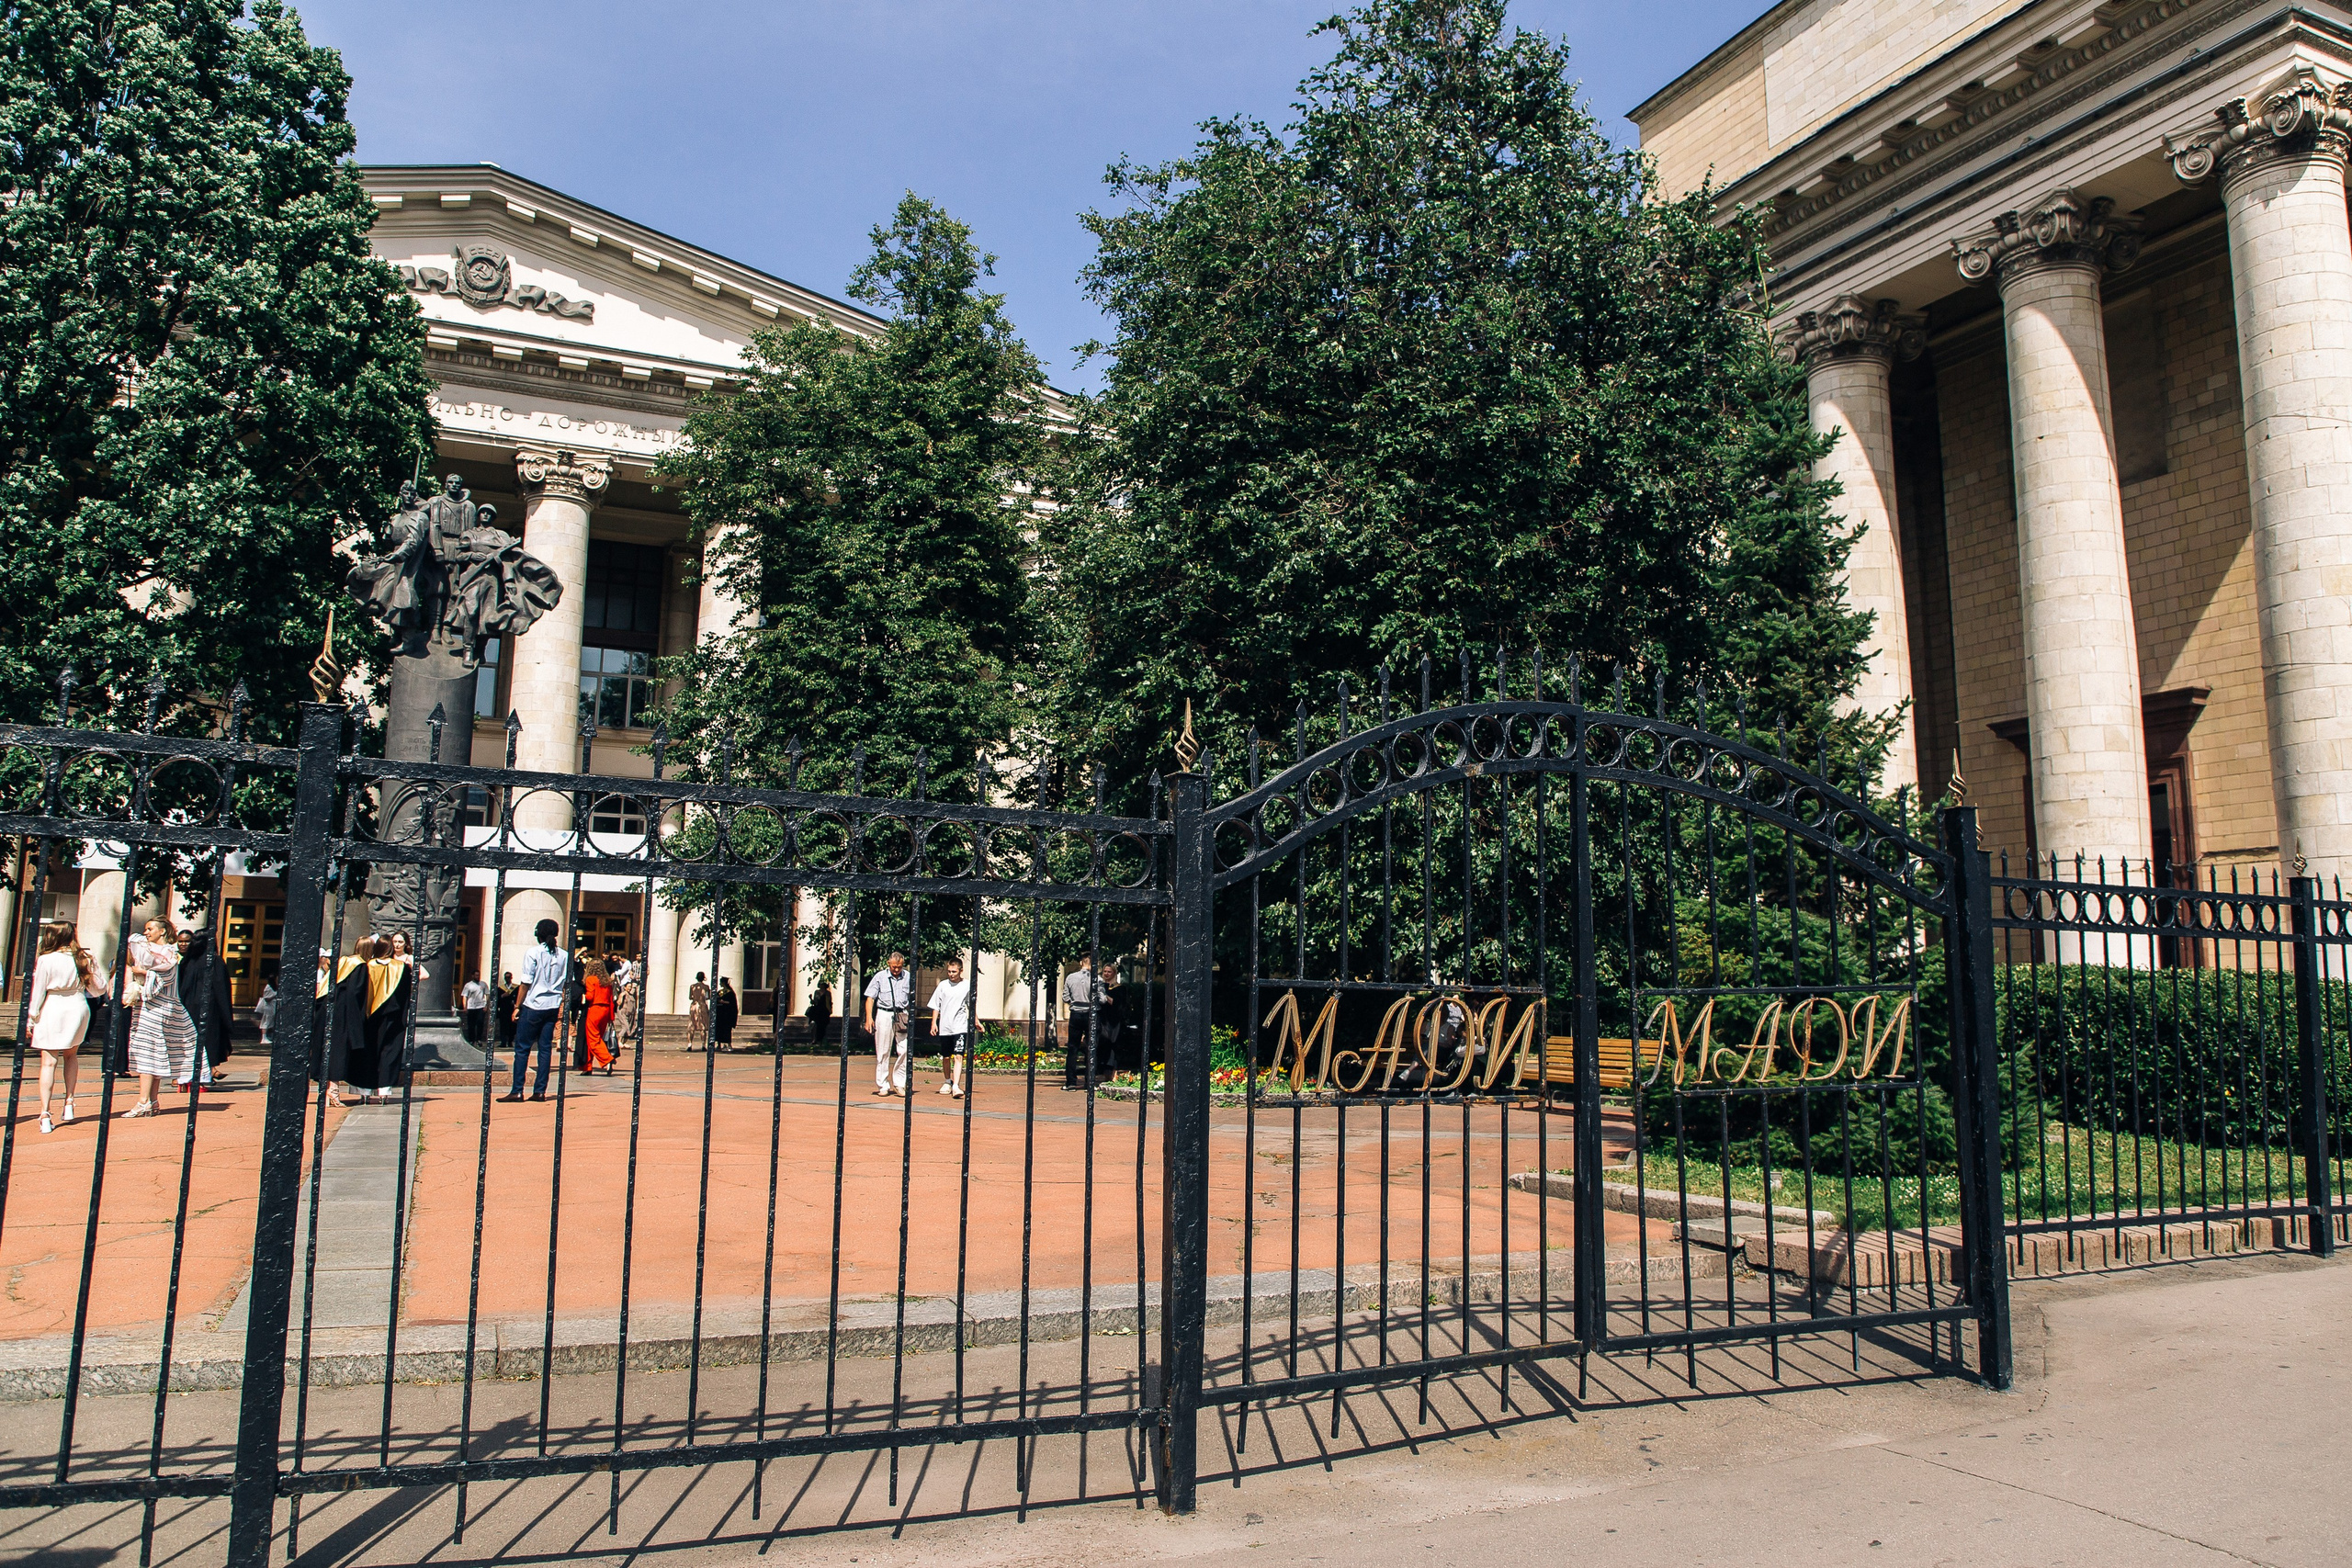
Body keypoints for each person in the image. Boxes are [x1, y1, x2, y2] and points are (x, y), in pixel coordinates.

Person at [123, 917, 197, 1116]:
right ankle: (153, 1100)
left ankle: (143, 1101)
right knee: (153, 1053)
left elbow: (167, 976)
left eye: (150, 929)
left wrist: (143, 972)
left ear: (162, 931)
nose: (146, 932)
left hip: (158, 1007)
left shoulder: (170, 952)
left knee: (147, 1053)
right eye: (145, 929)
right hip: (150, 1005)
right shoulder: (153, 950)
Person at [27, 923, 92, 1133]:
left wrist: (32, 1017)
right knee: (71, 1055)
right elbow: (98, 987)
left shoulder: (46, 959)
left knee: (49, 1062)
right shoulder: (84, 958)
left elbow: (38, 991)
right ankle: (69, 1101)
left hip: (54, 1005)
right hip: (78, 1005)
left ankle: (45, 1113)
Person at [502, 919, 567, 1102]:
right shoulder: (564, 955)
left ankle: (517, 1089)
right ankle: (540, 1091)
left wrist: (517, 1006)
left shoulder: (533, 953)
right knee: (545, 1049)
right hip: (552, 1005)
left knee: (522, 1048)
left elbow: (526, 982)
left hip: (533, 1004)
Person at [176, 928, 232, 1089]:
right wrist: (227, 1017)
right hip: (209, 1010)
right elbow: (221, 989)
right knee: (206, 1044)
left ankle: (185, 1079)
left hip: (188, 1007)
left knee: (189, 1044)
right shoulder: (214, 961)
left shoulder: (187, 962)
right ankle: (202, 1078)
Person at [864, 952, 912, 1096]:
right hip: (884, 1013)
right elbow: (870, 998)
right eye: (894, 967)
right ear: (888, 964)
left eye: (899, 967)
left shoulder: (908, 977)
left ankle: (899, 1083)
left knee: (904, 1049)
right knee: (883, 1050)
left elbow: (912, 997)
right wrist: (869, 1018)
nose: (896, 970)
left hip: (902, 1014)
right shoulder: (880, 977)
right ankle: (883, 1084)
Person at [928, 957, 973, 1100]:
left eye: (954, 971)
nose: (951, 974)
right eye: (949, 971)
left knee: (959, 1055)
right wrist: (934, 1022)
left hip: (960, 1026)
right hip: (945, 1026)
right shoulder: (943, 985)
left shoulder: (967, 985)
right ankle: (948, 1081)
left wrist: (976, 1021)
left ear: (960, 970)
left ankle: (956, 1085)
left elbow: (970, 1005)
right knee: (946, 1056)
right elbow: (936, 1005)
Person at [1061, 953, 1106, 1089]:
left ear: (1081, 962)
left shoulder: (1070, 977)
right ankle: (1090, 1082)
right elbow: (1103, 1000)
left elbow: (1065, 997)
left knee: (1072, 1048)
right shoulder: (1097, 979)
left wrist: (1075, 1001)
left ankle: (1071, 1082)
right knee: (1092, 1048)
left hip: (1076, 1014)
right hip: (1091, 1014)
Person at [581, 957, 616, 1074]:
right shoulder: (607, 981)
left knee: (593, 1039)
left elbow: (590, 996)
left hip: (595, 1009)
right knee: (597, 1038)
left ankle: (607, 1059)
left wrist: (583, 995)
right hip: (605, 1011)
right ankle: (588, 1066)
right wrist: (611, 1017)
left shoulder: (591, 979)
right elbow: (611, 999)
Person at [460, 975, 489, 1050]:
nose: (477, 976)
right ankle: (471, 1040)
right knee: (471, 1024)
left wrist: (486, 1005)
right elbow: (465, 996)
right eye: (476, 975)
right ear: (472, 976)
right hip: (471, 1007)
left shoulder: (483, 984)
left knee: (480, 1023)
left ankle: (479, 1039)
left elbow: (487, 995)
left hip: (481, 1007)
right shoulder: (468, 985)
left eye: (478, 975)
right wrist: (465, 1007)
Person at [713, 976, 738, 1051]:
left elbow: (732, 1004)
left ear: (723, 983)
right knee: (719, 1029)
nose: (720, 984)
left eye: (721, 982)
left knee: (727, 1030)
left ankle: (729, 1045)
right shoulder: (720, 992)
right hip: (720, 1014)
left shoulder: (730, 993)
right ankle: (719, 1044)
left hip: (727, 1014)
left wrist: (723, 1002)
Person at [687, 972, 711, 1046]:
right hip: (702, 1005)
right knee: (702, 1025)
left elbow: (690, 997)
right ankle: (703, 1044)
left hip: (694, 1005)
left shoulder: (692, 986)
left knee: (692, 1024)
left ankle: (690, 1044)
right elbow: (708, 997)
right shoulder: (706, 987)